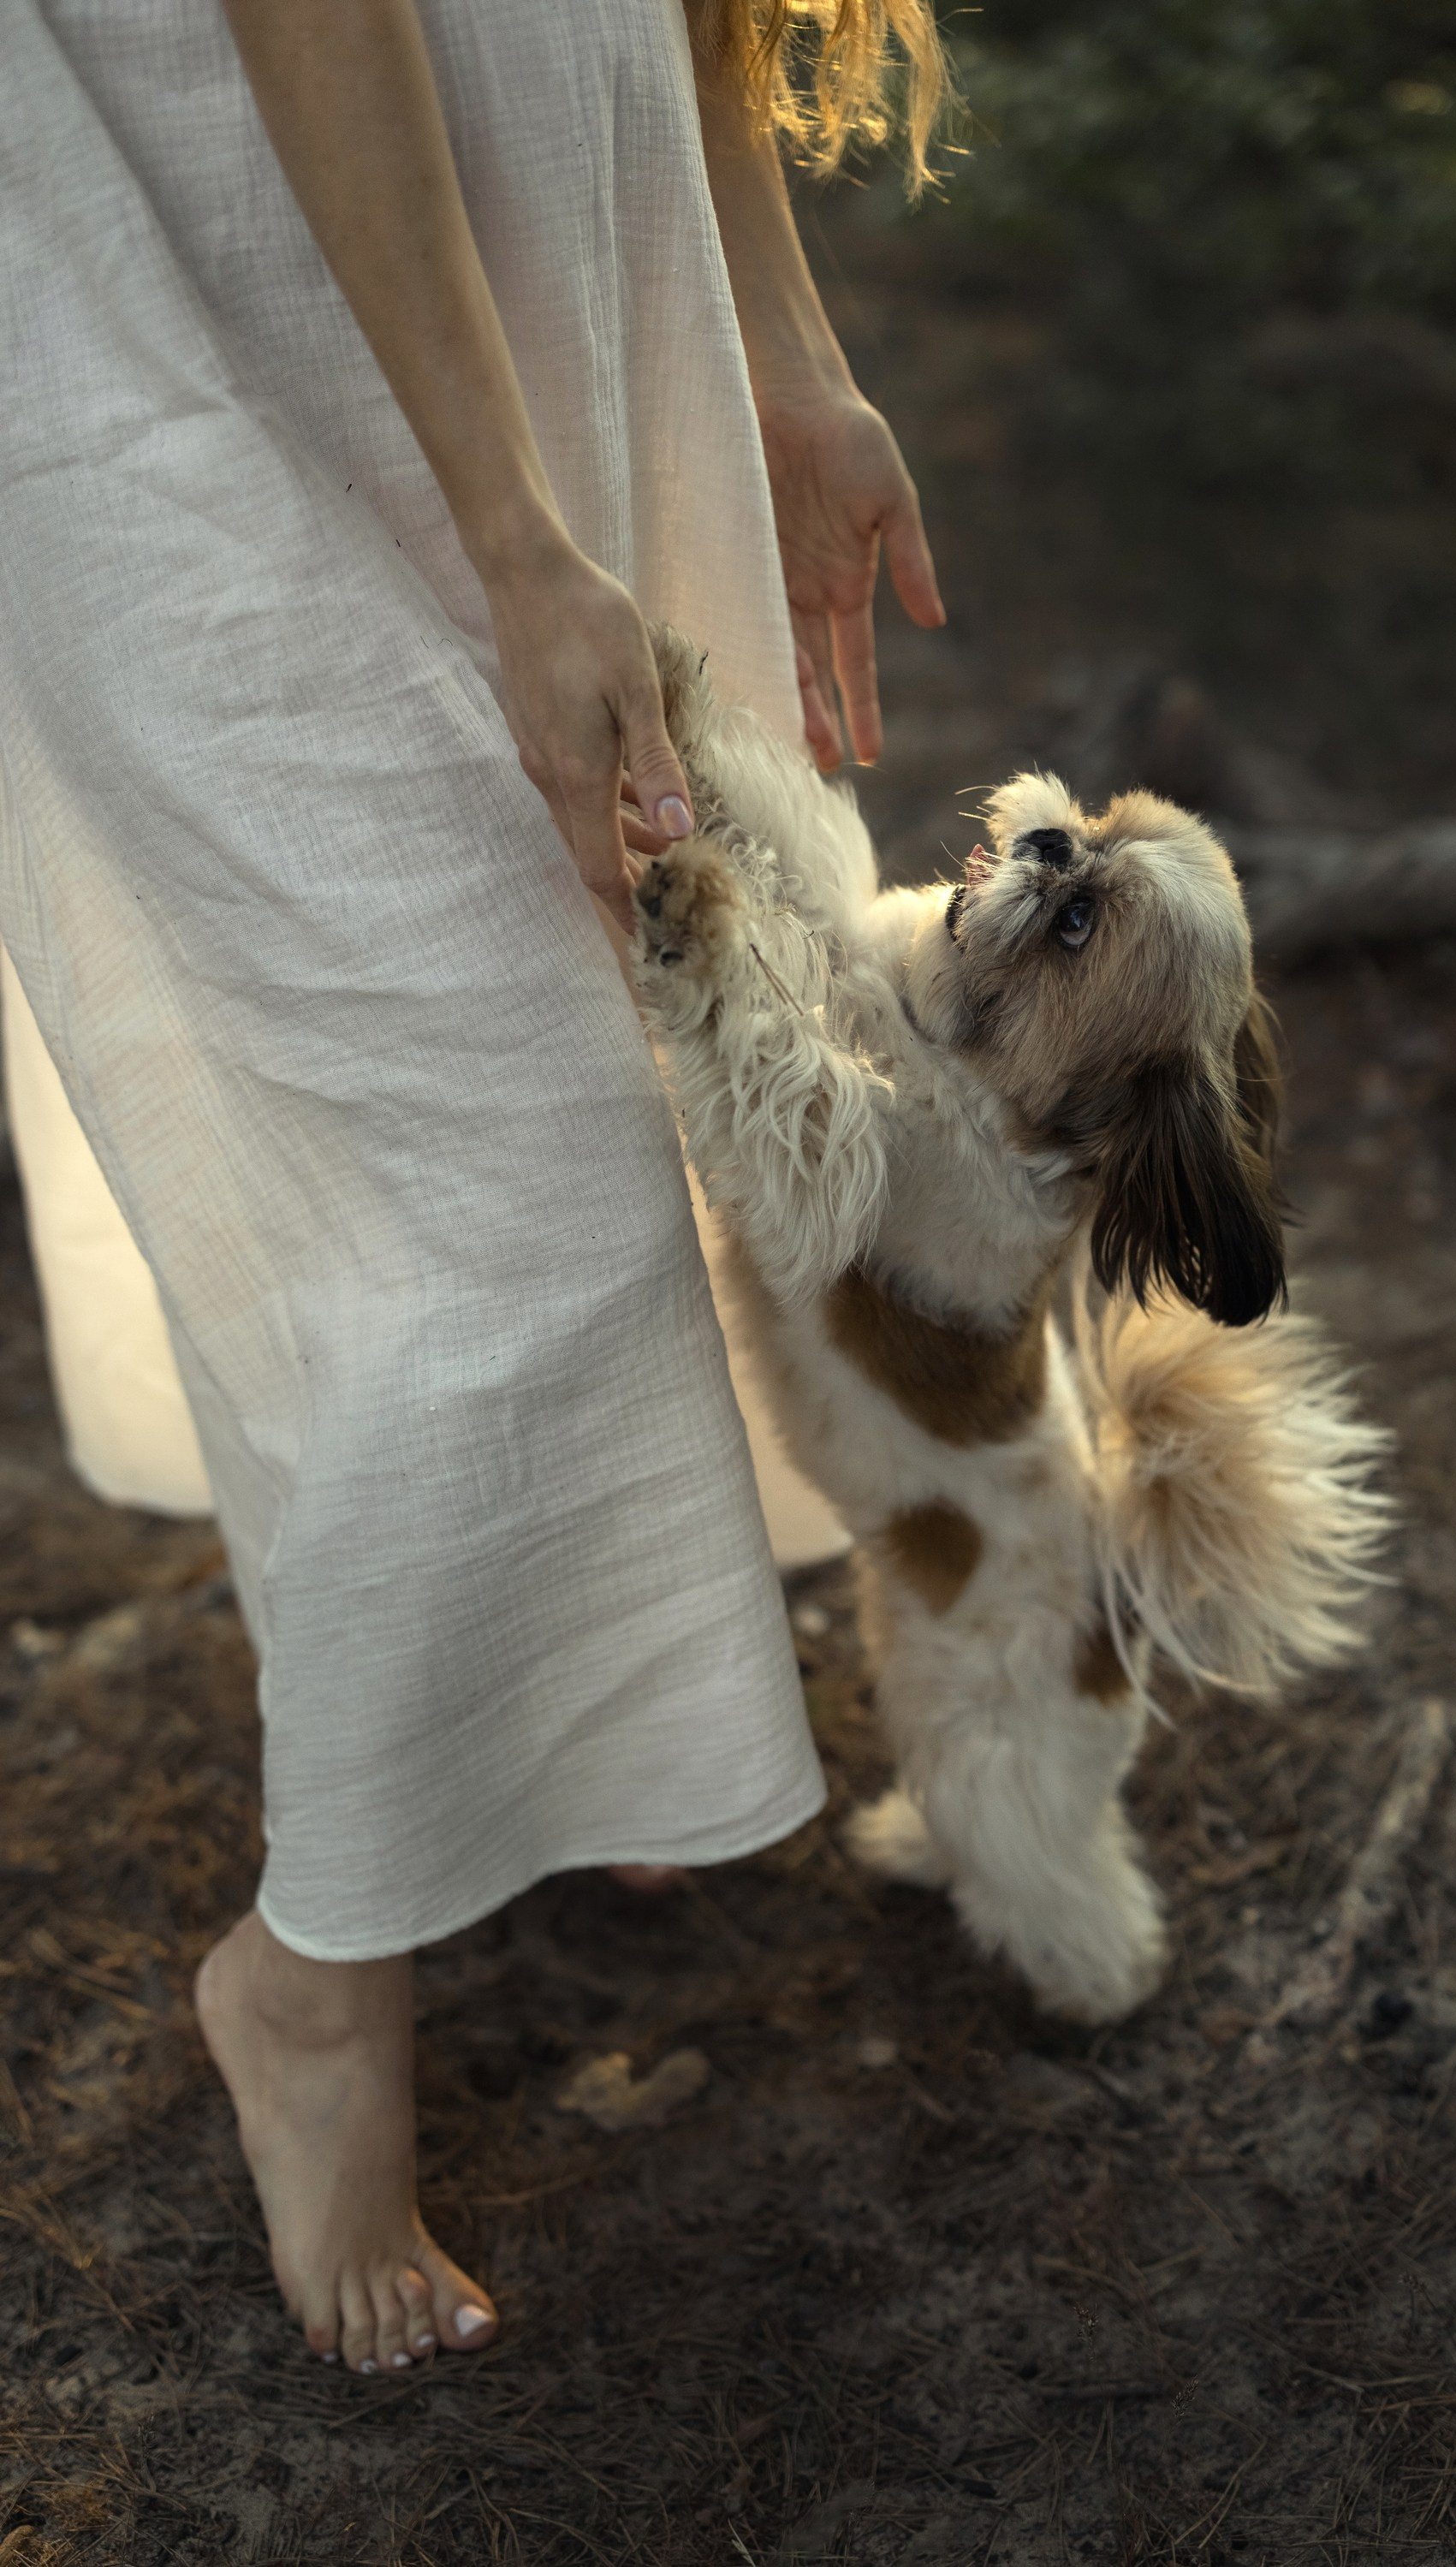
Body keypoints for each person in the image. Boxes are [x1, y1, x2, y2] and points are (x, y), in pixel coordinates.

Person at [0, 0, 947, 2377]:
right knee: (504, 1168)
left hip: (546, 222)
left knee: (646, 1031)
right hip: (184, 278)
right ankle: (310, 1986)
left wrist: (787, 351)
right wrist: (514, 544)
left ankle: (589, 1702)